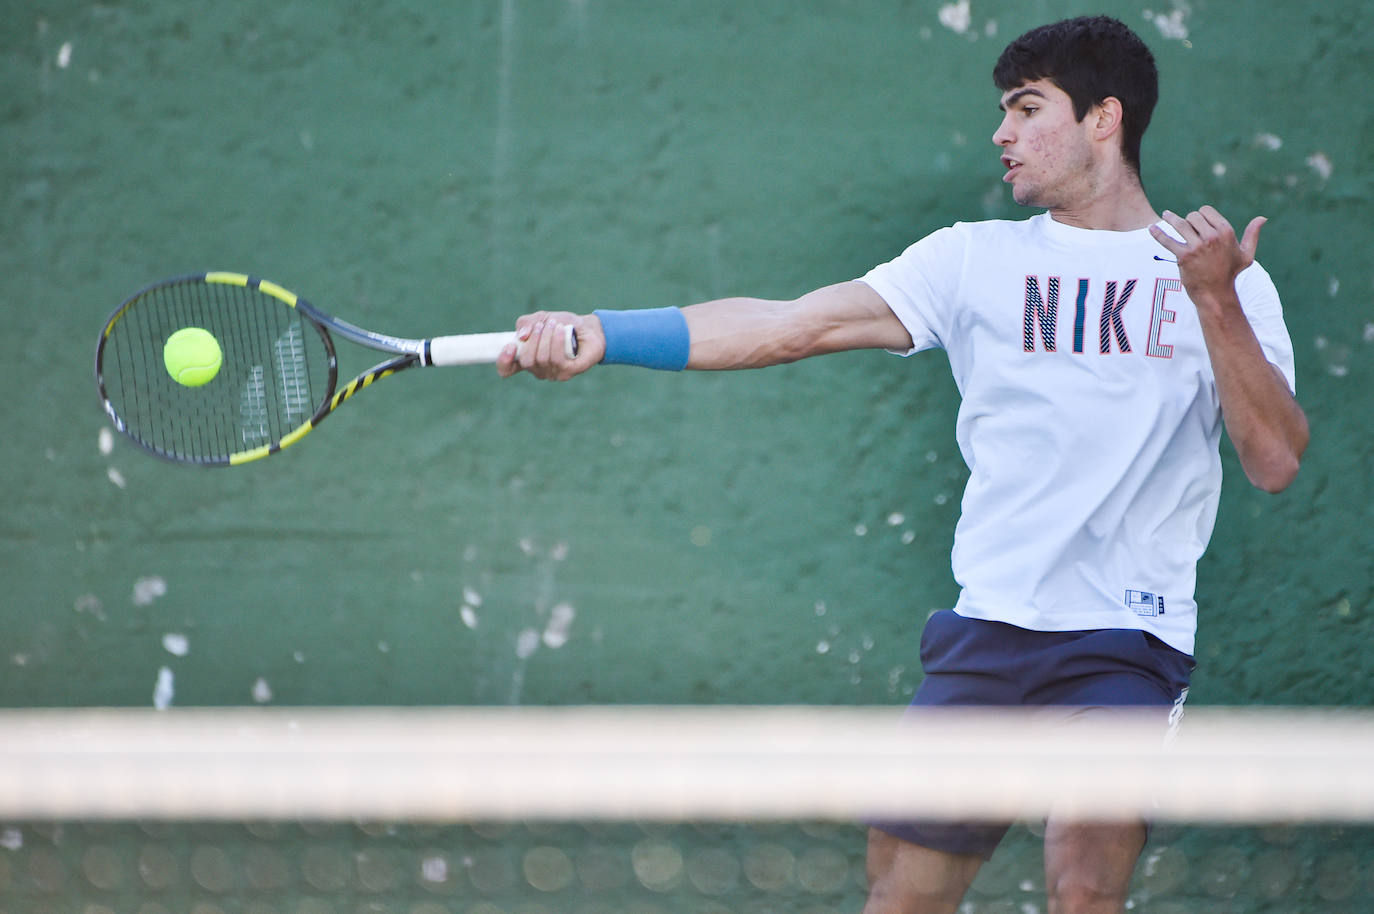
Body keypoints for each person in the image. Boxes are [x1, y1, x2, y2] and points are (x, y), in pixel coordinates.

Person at [496, 15, 1309, 914]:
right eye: (1002, 109)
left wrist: (1212, 298)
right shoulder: (971, 259)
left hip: (1127, 644)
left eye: (1027, 107)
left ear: (1104, 119)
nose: (1001, 133)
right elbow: (788, 324)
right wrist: (605, 335)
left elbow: (1273, 459)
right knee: (901, 902)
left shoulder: (1227, 282)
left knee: (1084, 891)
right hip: (988, 636)